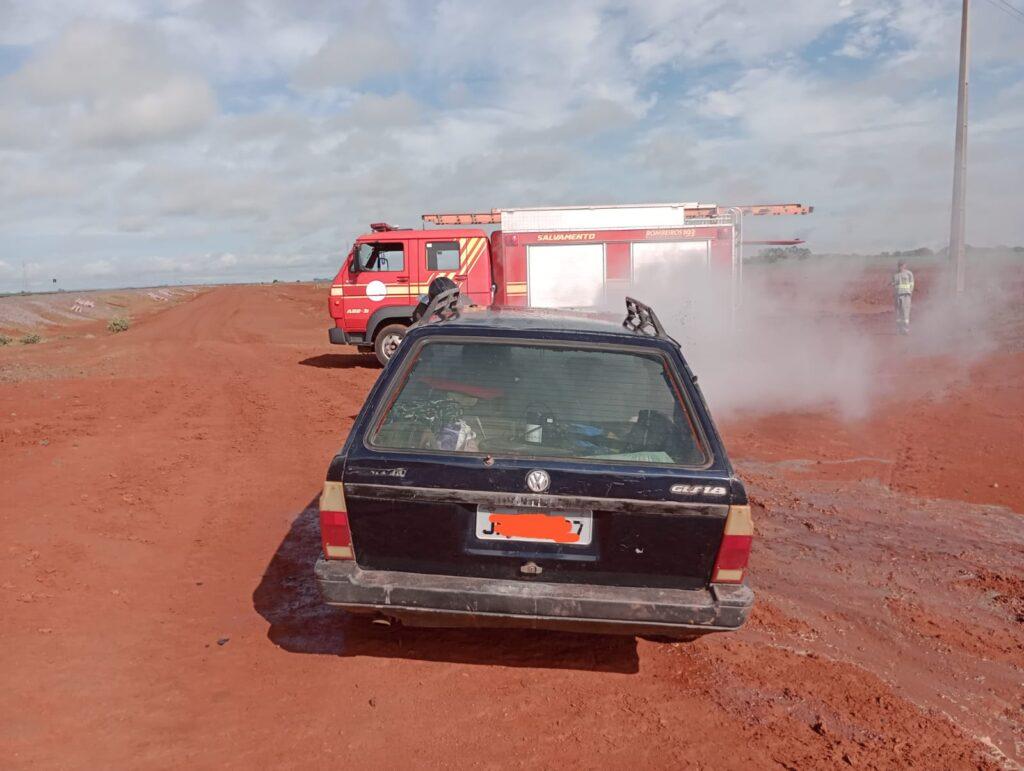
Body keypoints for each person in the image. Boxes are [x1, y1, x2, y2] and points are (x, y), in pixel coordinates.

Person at [891, 260, 915, 335]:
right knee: (898, 313)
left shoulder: (909, 273)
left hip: (905, 295)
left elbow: (912, 283)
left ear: (905, 265)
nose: (900, 267)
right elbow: (894, 284)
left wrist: (910, 292)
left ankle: (906, 330)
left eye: (902, 265)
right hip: (897, 295)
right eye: (899, 265)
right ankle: (899, 330)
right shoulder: (895, 274)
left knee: (905, 312)